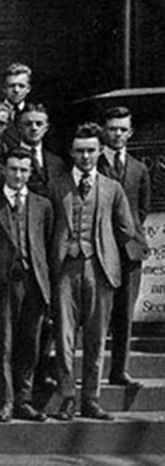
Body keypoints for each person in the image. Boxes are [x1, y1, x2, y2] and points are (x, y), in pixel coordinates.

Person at [49, 123, 140, 421]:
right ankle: (66, 398)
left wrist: (134, 254)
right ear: (71, 153)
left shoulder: (112, 188)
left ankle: (91, 398)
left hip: (100, 269)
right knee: (63, 338)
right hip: (65, 269)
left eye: (90, 150)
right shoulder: (56, 185)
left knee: (96, 337)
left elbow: (128, 228)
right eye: (80, 151)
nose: (85, 156)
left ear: (100, 151)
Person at [0, 149, 52, 422]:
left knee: (29, 344)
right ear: (3, 171)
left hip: (33, 283)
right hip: (1, 284)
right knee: (4, 343)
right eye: (13, 169)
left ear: (30, 172)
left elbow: (47, 247)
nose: (18, 175)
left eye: (23, 170)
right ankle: (5, 401)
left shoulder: (42, 205)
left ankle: (24, 399)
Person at [98, 106, 151, 388]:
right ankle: (89, 372)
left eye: (122, 129)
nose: (117, 134)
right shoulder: (93, 163)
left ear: (129, 133)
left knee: (124, 315)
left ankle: (119, 370)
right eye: (112, 128)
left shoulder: (139, 168)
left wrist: (128, 238)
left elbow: (141, 210)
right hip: (99, 250)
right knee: (96, 315)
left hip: (129, 252)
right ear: (104, 130)